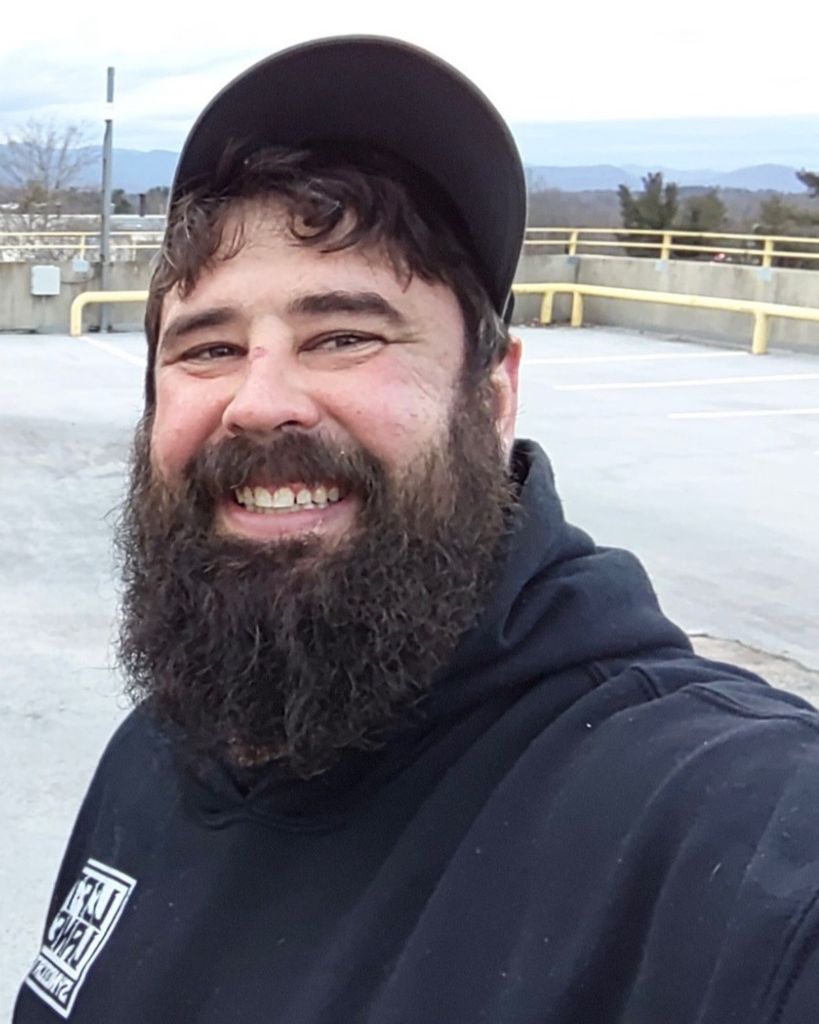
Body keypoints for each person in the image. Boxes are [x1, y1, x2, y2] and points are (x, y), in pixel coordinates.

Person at [14, 36, 819, 1024]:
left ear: (492, 396)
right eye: (209, 348)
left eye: (343, 335)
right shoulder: (160, 746)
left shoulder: (699, 826)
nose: (259, 403)